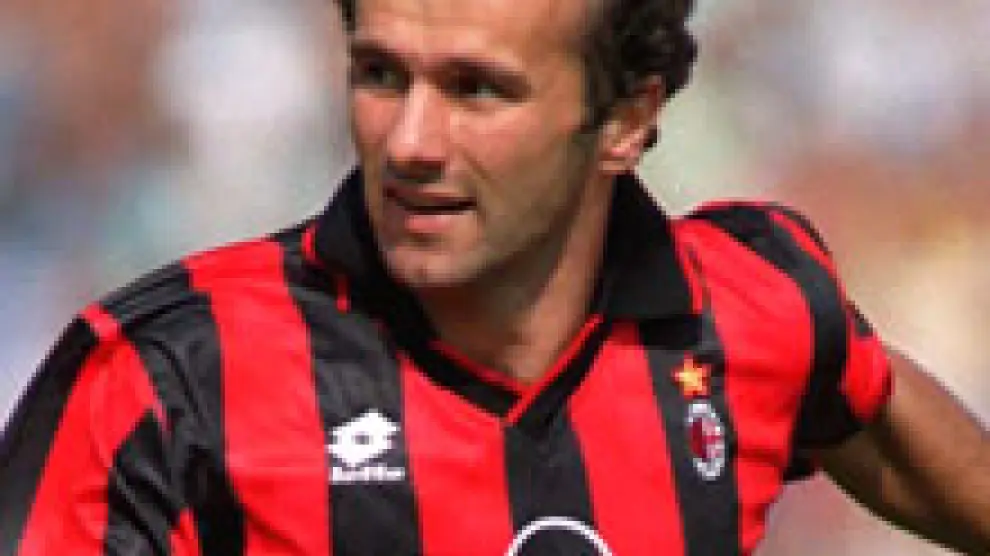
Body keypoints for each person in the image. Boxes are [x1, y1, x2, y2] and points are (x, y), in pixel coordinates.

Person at [1, 0, 988, 553]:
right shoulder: (165, 378)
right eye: (381, 75)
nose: (411, 141)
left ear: (627, 120)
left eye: (477, 90)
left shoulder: (748, 311)